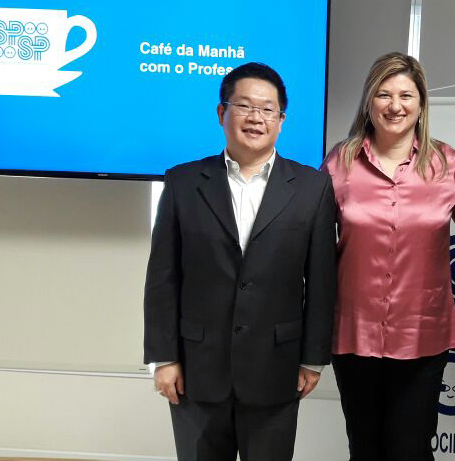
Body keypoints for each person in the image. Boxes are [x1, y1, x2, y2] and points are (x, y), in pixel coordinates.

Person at [143, 62, 337, 461]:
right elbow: (163, 278)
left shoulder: (312, 187)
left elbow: (321, 280)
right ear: (222, 113)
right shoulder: (182, 182)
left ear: (281, 120)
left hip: (277, 368)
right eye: (244, 106)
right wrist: (164, 357)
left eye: (267, 109)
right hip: (196, 371)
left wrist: (313, 358)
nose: (256, 117)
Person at [321, 52, 455, 461]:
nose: (395, 105)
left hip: (423, 335)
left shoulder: (447, 163)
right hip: (354, 335)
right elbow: (312, 244)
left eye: (406, 95)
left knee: (411, 450)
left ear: (421, 104)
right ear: (368, 102)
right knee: (365, 450)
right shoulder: (340, 162)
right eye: (383, 94)